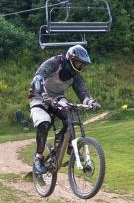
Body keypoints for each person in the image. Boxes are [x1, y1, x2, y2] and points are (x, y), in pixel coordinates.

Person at [28, 44, 101, 174]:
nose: (80, 66)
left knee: (69, 114)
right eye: (79, 63)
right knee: (44, 123)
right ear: (70, 59)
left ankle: (67, 144)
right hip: (39, 96)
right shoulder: (55, 63)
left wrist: (90, 102)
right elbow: (38, 76)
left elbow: (82, 93)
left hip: (57, 98)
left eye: (82, 64)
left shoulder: (76, 75)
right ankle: (38, 158)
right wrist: (39, 90)